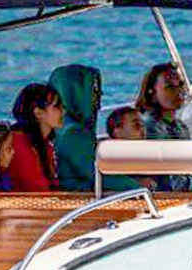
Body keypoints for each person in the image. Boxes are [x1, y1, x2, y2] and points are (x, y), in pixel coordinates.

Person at [48, 64, 141, 193]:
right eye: (94, 94)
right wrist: (139, 187)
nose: (98, 104)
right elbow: (99, 174)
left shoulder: (60, 127)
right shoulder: (74, 134)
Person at [136, 63, 192, 191]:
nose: (178, 92)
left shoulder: (180, 127)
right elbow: (165, 179)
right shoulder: (149, 129)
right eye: (169, 87)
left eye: (180, 85)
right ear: (152, 92)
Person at [6, 83, 65, 192]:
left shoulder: (45, 145)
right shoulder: (19, 144)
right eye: (57, 106)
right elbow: (38, 189)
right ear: (38, 113)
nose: (63, 111)